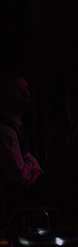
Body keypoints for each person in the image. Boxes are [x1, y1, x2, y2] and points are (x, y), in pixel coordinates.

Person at [0, 76, 43, 220]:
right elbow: (22, 176)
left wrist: (29, 163)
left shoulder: (17, 128)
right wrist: (32, 164)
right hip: (15, 195)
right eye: (18, 90)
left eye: (27, 89)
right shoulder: (5, 130)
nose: (26, 94)